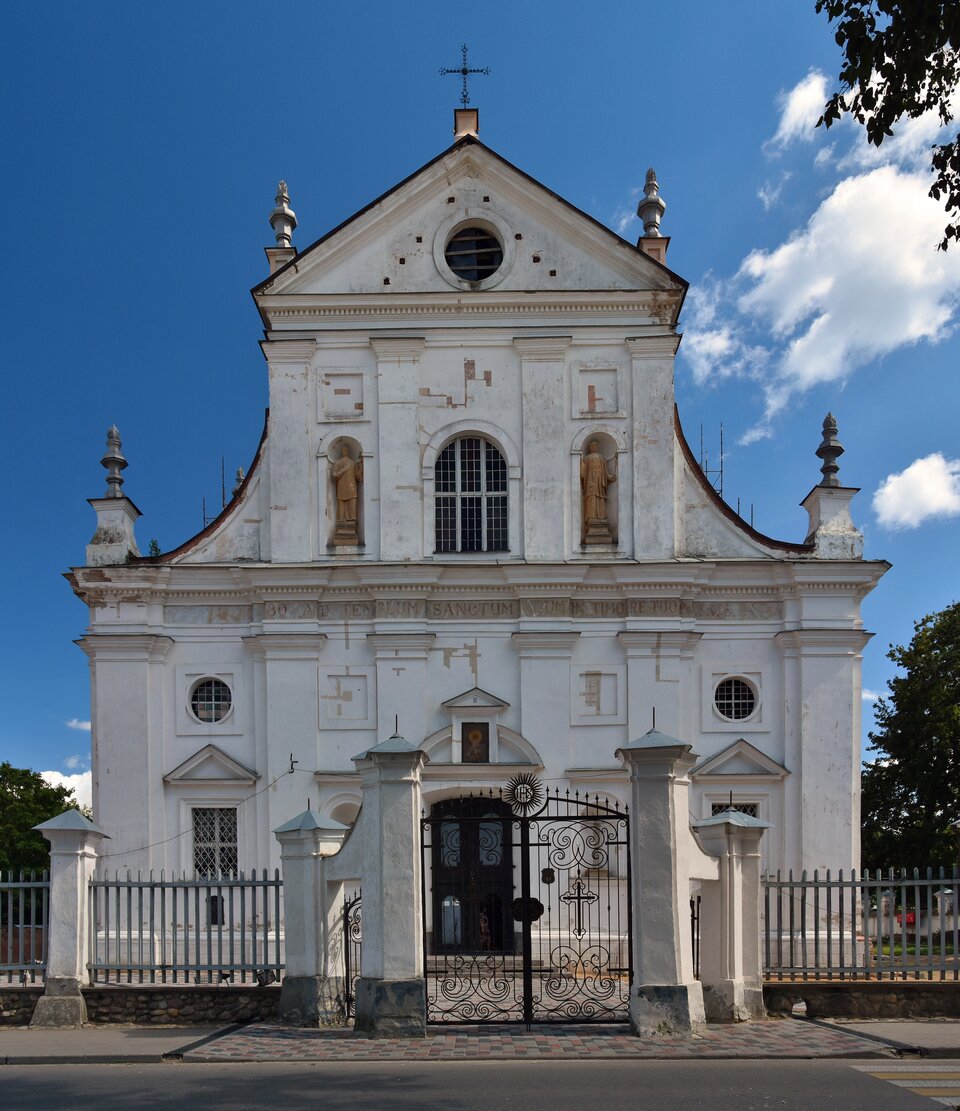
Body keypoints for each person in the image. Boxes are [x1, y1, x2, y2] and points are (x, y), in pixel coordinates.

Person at [580, 440, 615, 523]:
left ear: (597, 447)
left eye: (594, 445)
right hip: (590, 483)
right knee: (591, 498)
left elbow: (606, 472)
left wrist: (611, 476)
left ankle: (601, 517)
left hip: (600, 483)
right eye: (591, 446)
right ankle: (591, 517)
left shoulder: (602, 458)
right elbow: (583, 474)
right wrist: (581, 462)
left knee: (600, 499)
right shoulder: (586, 458)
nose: (593, 447)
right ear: (589, 448)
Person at [331, 444, 363, 525]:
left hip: (352, 488)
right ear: (342, 451)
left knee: (352, 507)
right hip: (341, 488)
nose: (346, 451)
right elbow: (335, 475)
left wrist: (361, 465)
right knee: (341, 509)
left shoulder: (353, 463)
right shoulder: (338, 463)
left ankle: (352, 521)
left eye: (347, 450)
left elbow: (357, 477)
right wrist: (344, 469)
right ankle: (342, 521)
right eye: (344, 449)